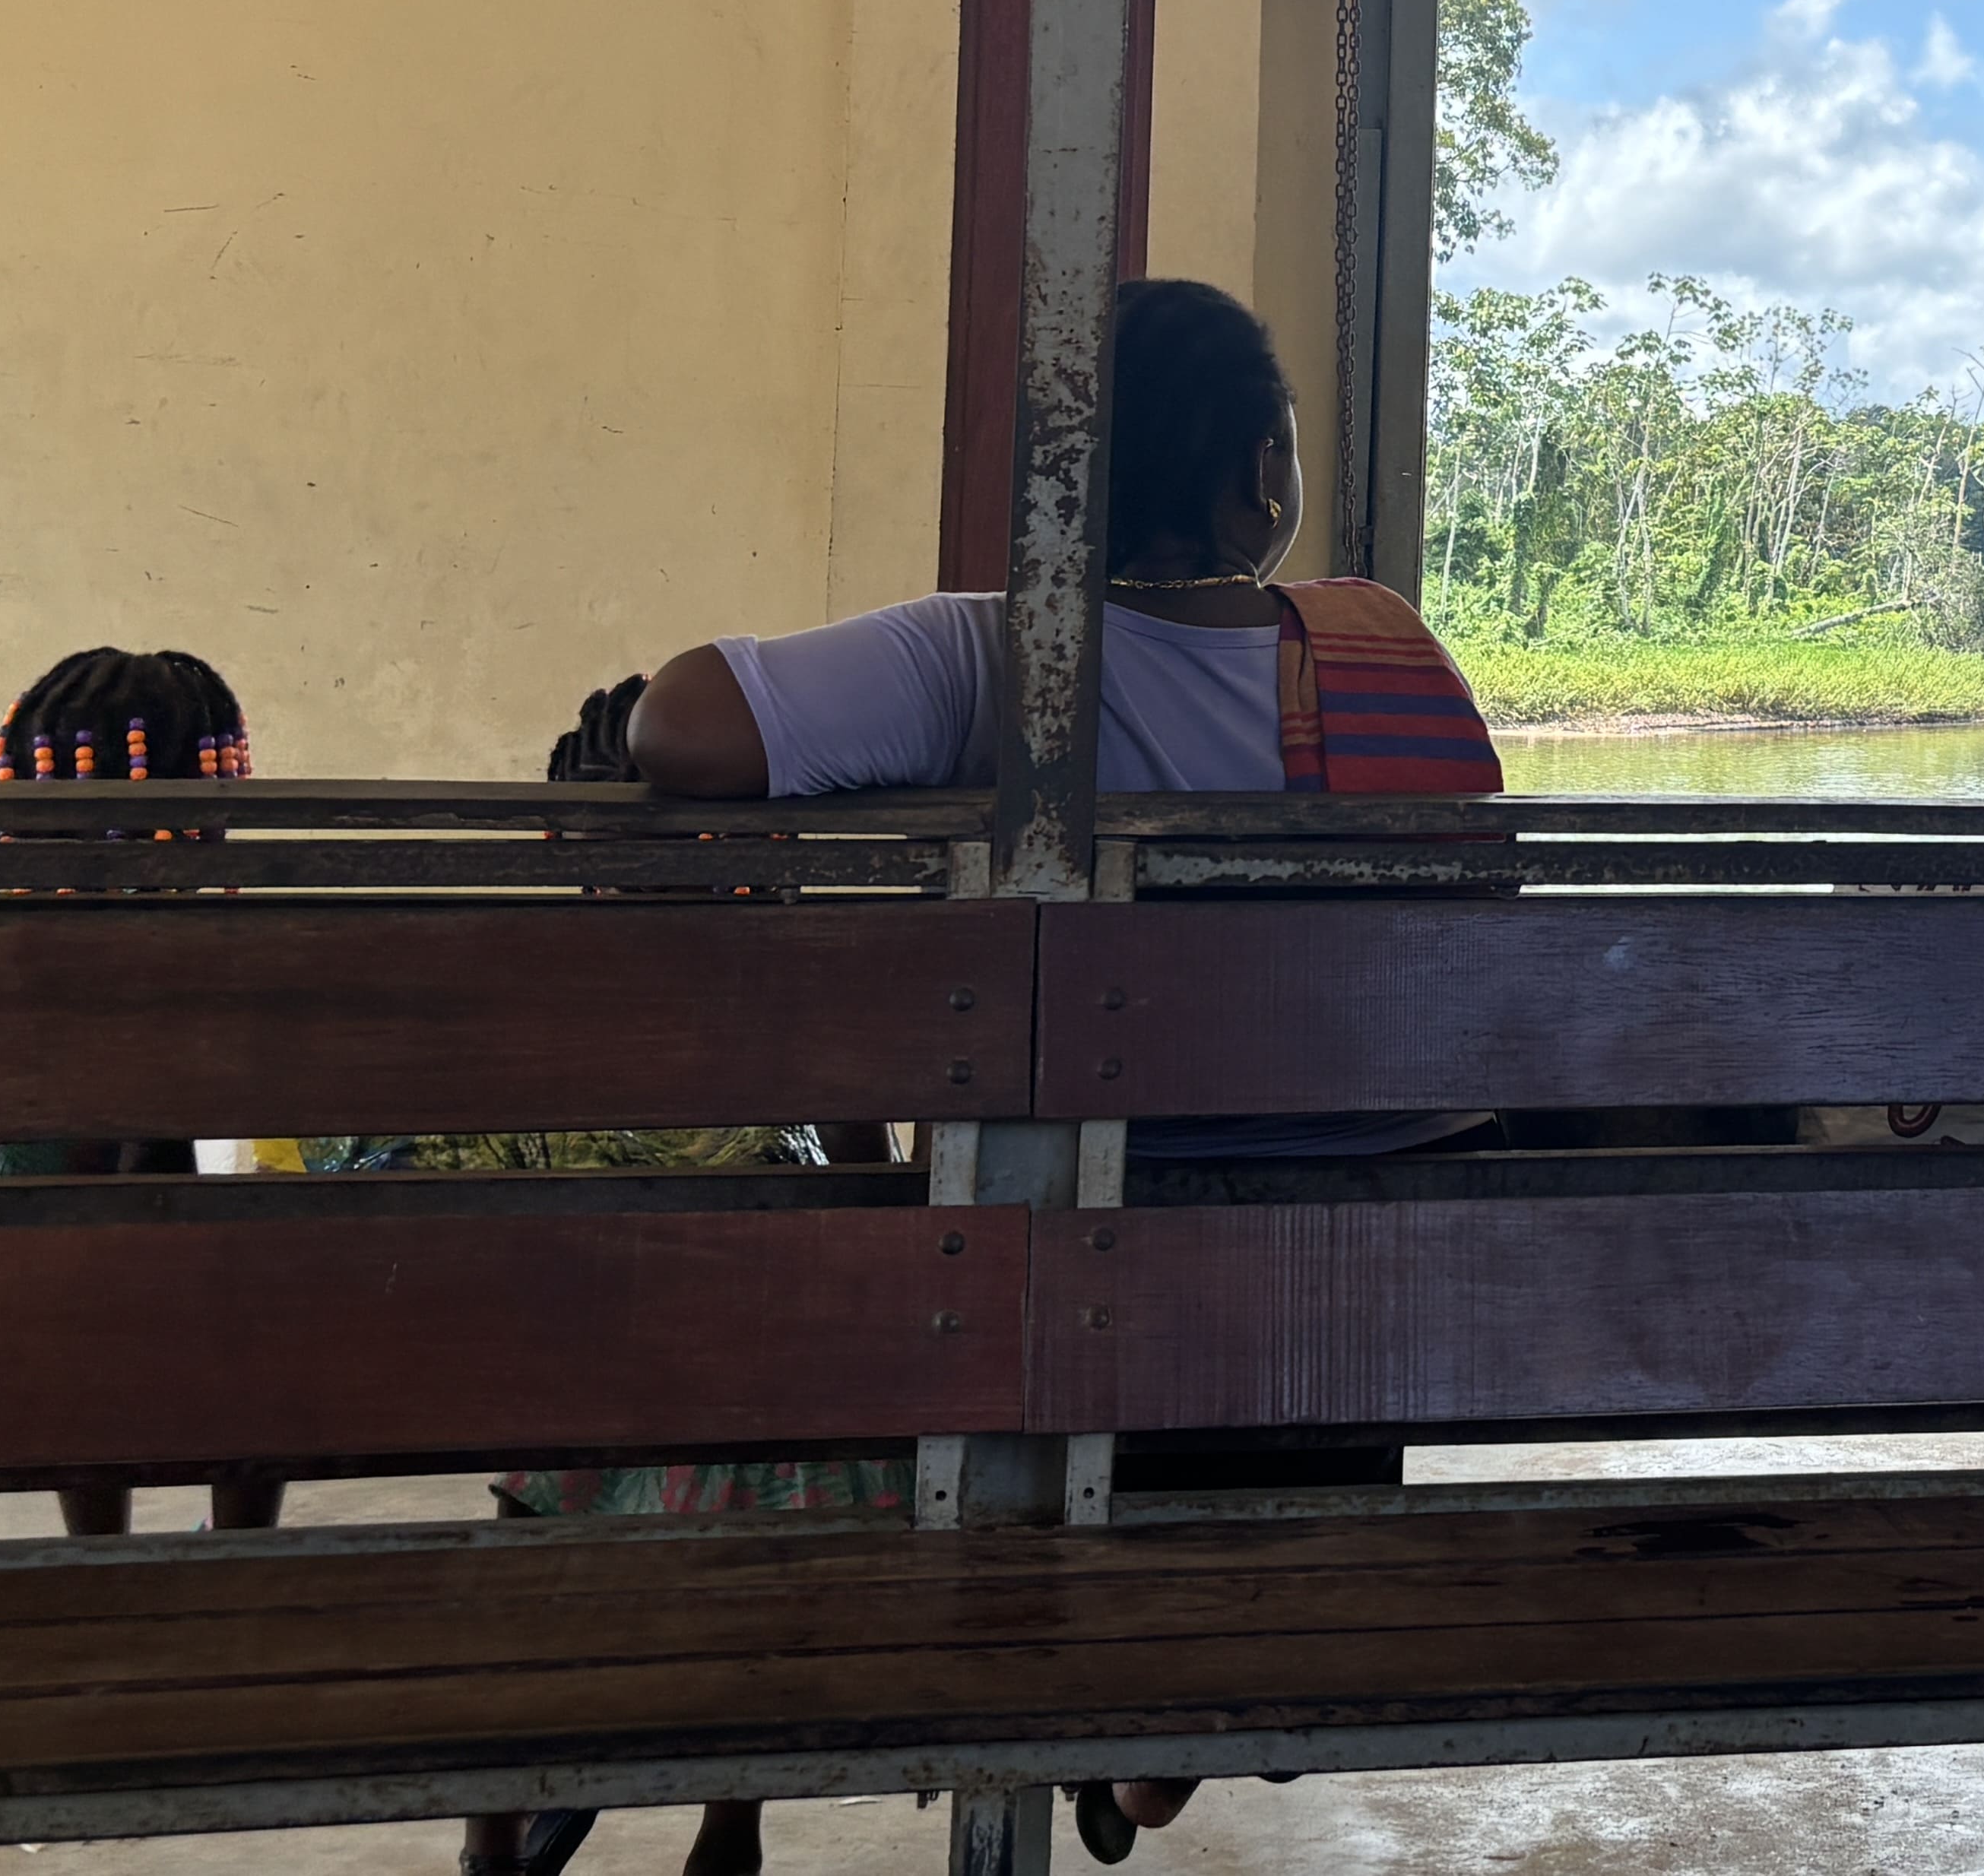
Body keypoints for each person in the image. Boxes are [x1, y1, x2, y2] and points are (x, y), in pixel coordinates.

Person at [599, 277, 1501, 1864]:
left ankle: (1117, 1732)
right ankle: (1150, 1759)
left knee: (1053, 1381)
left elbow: (680, 728)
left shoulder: (988, 653)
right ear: (1260, 472)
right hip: (1364, 1300)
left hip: (1069, 1292)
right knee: (1251, 1548)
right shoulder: (1388, 650)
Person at [0, 648, 284, 1543]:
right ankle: (241, 1542)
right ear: (214, 777)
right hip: (216, 1300)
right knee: (265, 1263)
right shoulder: (247, 953)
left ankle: (95, 1541)